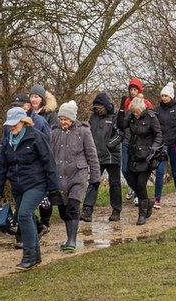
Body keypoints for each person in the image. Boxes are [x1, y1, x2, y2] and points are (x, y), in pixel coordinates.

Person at [0, 107, 61, 271]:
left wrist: (54, 189)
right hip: (17, 186)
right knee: (27, 217)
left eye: (15, 124)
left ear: (24, 122)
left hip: (36, 184)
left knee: (23, 215)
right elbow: (2, 165)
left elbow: (49, 162)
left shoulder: (36, 136)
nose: (12, 127)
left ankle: (29, 256)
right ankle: (36, 256)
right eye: (9, 124)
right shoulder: (8, 139)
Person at [50, 101, 100, 251]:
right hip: (60, 177)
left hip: (78, 175)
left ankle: (72, 240)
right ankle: (68, 239)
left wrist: (95, 177)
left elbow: (92, 155)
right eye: (61, 118)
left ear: (72, 118)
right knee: (63, 210)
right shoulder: (54, 132)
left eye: (66, 119)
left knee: (73, 206)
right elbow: (50, 155)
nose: (63, 122)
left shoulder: (83, 131)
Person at [117, 97, 162, 225]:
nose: (135, 114)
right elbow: (121, 124)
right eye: (133, 112)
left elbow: (158, 134)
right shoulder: (131, 117)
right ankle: (148, 201)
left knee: (141, 184)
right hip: (134, 155)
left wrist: (154, 149)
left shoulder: (150, 117)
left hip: (147, 156)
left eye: (137, 112)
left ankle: (142, 214)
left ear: (141, 110)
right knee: (132, 181)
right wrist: (121, 109)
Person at [82, 92, 123, 222]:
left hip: (112, 156)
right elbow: (88, 134)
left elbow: (121, 133)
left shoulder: (115, 115)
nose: (97, 110)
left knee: (115, 184)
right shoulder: (93, 117)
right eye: (96, 107)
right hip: (96, 155)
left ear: (105, 106)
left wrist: (111, 144)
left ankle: (116, 209)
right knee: (93, 182)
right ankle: (87, 210)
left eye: (99, 107)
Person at [118, 77, 153, 205]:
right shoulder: (126, 102)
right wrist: (122, 108)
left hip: (141, 142)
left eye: (135, 89)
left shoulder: (146, 103)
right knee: (125, 169)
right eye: (131, 89)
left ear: (139, 90)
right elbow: (121, 123)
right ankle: (135, 189)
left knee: (138, 169)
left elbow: (151, 122)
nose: (132, 92)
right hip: (126, 140)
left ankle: (139, 193)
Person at [153, 82, 176, 209]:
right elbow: (155, 127)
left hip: (174, 144)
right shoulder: (158, 110)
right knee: (160, 172)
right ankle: (157, 199)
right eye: (162, 96)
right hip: (162, 145)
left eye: (166, 96)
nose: (164, 98)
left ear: (171, 96)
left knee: (175, 172)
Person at [28, 85, 56, 232]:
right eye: (32, 96)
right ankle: (33, 221)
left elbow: (52, 135)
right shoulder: (27, 114)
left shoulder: (50, 115)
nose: (34, 99)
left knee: (45, 192)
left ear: (42, 99)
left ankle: (45, 221)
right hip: (30, 154)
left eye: (37, 96)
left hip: (45, 153)